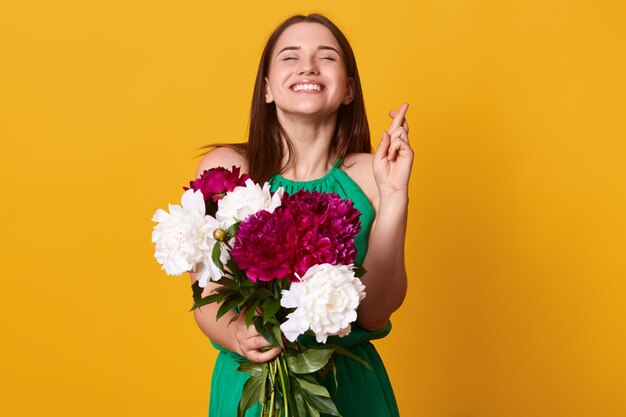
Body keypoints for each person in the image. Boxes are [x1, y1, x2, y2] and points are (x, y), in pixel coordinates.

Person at [189, 13, 413, 417]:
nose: (308, 66)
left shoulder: (373, 174)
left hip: (348, 388)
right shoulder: (225, 172)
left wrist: (394, 194)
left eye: (326, 57)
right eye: (290, 57)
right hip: (254, 383)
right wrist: (238, 334)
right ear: (268, 89)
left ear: (348, 89)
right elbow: (205, 296)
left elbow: (376, 310)